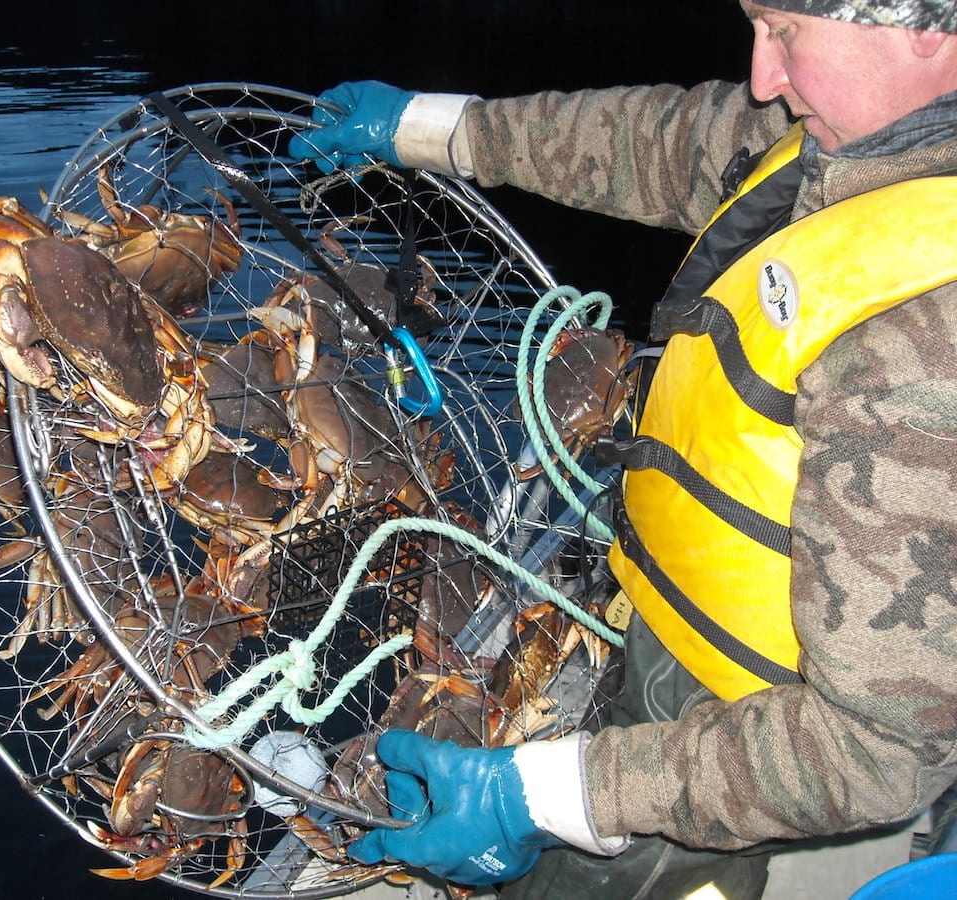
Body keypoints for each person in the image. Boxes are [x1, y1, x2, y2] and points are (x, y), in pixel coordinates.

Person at [288, 2, 957, 898]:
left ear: (927, 29)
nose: (763, 77)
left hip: (753, 764)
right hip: (686, 645)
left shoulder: (925, 351)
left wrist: (547, 795)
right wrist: (420, 125)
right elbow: (660, 140)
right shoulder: (864, 137)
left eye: (787, 33)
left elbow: (874, 752)